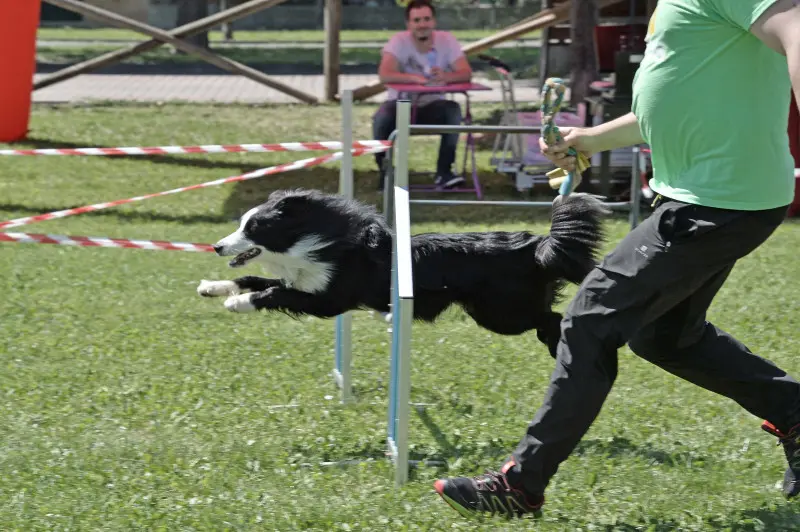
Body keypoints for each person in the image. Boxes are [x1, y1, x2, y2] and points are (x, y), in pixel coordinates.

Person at [434, 0, 800, 518]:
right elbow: (680, 98)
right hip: (712, 197)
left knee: (588, 320)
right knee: (667, 335)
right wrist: (592, 139)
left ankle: (520, 484)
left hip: (716, 202)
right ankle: (795, 413)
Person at [372, 0, 472, 190]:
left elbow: (465, 73)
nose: (422, 24)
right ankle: (385, 173)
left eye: (426, 19)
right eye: (417, 20)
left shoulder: (447, 40)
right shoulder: (398, 41)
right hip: (401, 104)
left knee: (453, 111)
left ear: (434, 21)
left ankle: (444, 172)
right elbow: (385, 74)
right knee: (381, 118)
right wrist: (414, 78)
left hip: (433, 104)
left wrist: (447, 76)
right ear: (408, 24)